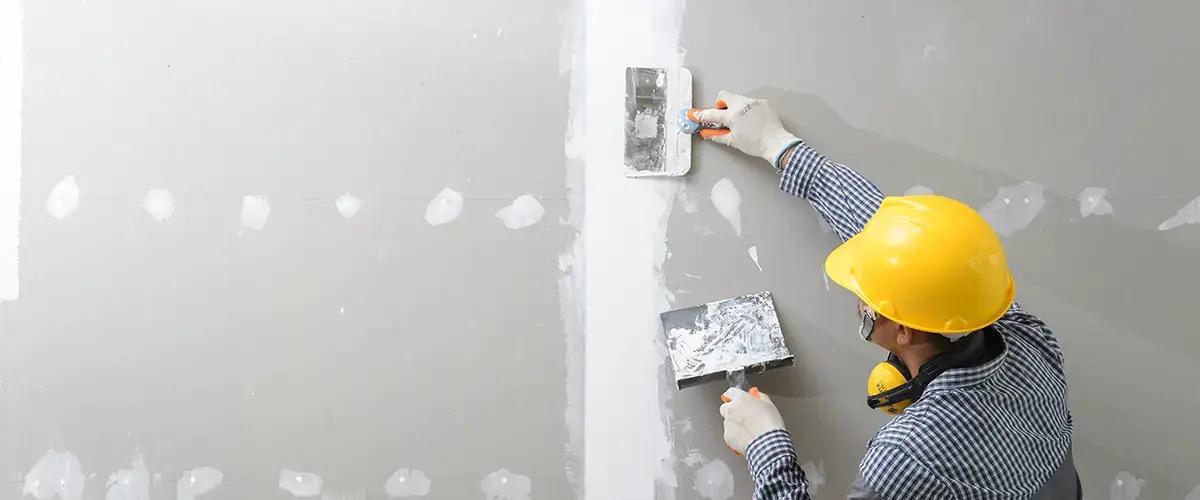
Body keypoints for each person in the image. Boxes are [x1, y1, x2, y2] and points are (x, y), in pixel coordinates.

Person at [692, 92, 1080, 499]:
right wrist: (776, 145)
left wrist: (765, 444)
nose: (859, 297)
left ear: (903, 332)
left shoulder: (905, 457)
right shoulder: (1028, 339)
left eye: (867, 295)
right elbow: (906, 244)